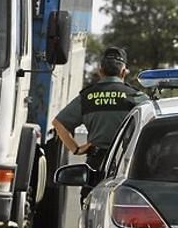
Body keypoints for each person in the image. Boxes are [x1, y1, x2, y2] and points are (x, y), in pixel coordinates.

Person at [52, 47, 148, 205]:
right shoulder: (135, 97)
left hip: (96, 165)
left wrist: (76, 148)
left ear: (100, 71)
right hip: (126, 164)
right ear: (123, 72)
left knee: (92, 209)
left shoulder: (87, 97)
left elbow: (58, 123)